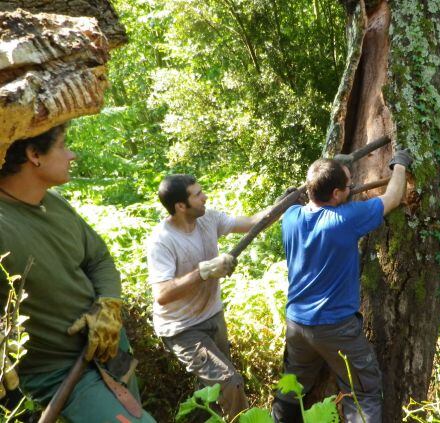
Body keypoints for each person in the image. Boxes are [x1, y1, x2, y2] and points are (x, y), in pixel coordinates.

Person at [0, 125, 155, 422]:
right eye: (63, 145)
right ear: (34, 155)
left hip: (109, 348)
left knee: (137, 409)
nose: (72, 155)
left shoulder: (55, 203)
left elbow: (99, 259)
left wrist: (108, 304)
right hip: (61, 376)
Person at [271, 150, 413, 423]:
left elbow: (288, 207)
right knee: (364, 392)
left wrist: (288, 200)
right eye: (348, 186)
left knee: (292, 385)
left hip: (297, 324)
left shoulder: (290, 216)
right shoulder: (345, 219)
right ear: (336, 194)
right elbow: (393, 197)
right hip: (335, 328)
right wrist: (399, 165)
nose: (352, 188)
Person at [146, 173, 271, 419]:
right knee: (230, 384)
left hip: (212, 315)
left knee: (210, 394)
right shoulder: (162, 240)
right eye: (197, 194)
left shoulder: (208, 218)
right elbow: (162, 294)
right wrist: (203, 272)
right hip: (182, 328)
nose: (205, 197)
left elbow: (251, 222)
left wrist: (284, 204)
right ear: (180, 206)